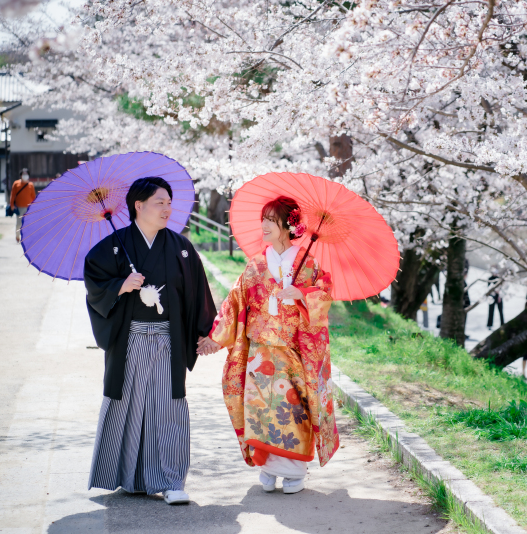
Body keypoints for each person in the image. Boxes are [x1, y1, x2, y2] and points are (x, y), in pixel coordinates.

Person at [84, 177, 216, 504]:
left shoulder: (181, 247)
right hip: (130, 340)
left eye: (169, 203)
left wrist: (206, 333)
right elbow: (94, 278)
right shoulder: (117, 245)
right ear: (138, 206)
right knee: (127, 406)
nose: (167, 209)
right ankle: (131, 478)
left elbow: (198, 291)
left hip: (167, 341)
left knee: (167, 407)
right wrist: (121, 284)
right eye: (160, 202)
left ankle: (172, 481)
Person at [198, 196, 339, 495]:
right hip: (260, 350)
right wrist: (215, 337)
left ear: (289, 225)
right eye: (263, 219)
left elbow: (325, 294)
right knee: (261, 408)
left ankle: (293, 471)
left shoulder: (308, 264)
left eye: (271, 220)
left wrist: (302, 294)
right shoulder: (256, 264)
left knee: (291, 408)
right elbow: (235, 300)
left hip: (292, 351)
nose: (263, 225)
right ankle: (268, 467)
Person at [9, 168, 36, 243]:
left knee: (28, 223)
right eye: (23, 174)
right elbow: (12, 195)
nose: (25, 176)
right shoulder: (16, 183)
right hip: (19, 207)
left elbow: (33, 197)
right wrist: (11, 205)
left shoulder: (31, 185)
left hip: (28, 208)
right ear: (20, 175)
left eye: (26, 174)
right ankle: (17, 236)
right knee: (19, 223)